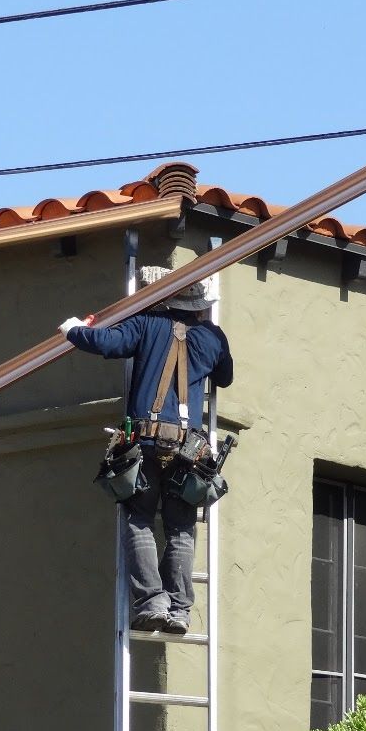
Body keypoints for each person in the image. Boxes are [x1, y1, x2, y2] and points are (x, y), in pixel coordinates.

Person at [59, 266, 233, 633]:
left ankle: (152, 601)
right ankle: (180, 610)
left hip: (144, 442)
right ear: (199, 305)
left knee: (140, 518)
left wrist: (73, 330)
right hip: (189, 449)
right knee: (181, 527)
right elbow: (226, 377)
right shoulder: (212, 337)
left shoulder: (145, 325)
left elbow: (105, 343)